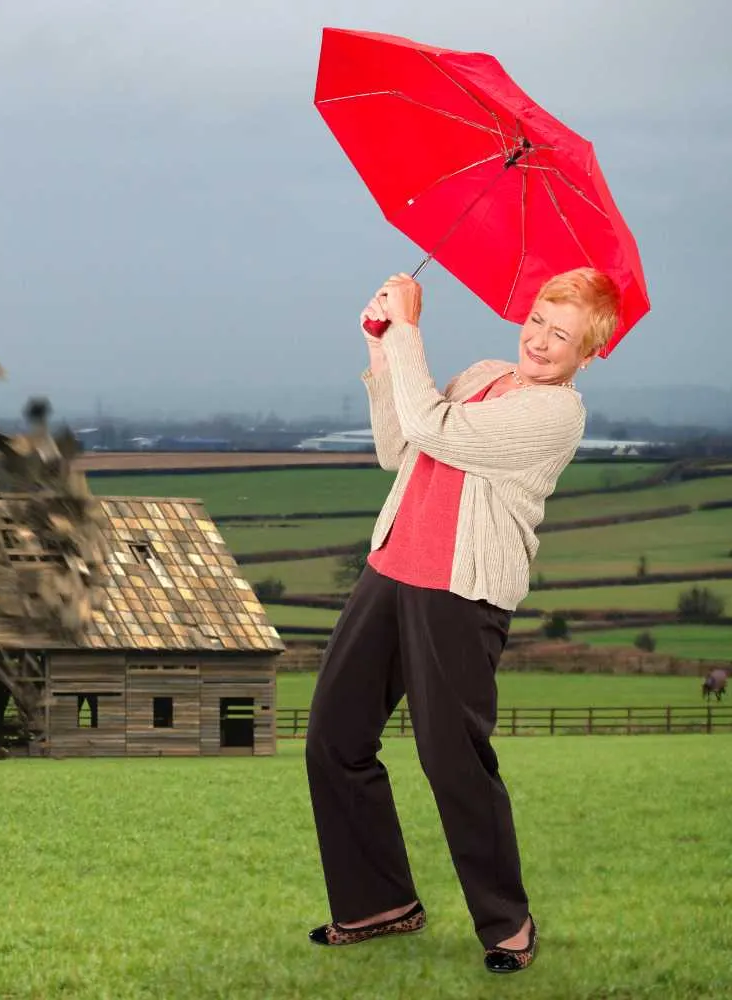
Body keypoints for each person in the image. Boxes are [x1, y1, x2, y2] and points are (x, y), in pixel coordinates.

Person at [303, 266, 622, 975]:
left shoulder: (556, 414)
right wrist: (382, 351)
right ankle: (378, 903)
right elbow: (399, 446)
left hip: (460, 591)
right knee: (334, 737)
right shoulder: (484, 373)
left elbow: (433, 425)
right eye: (539, 318)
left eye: (562, 335)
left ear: (587, 354)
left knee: (454, 761)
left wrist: (410, 326)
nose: (540, 340)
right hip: (391, 570)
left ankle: (508, 923)